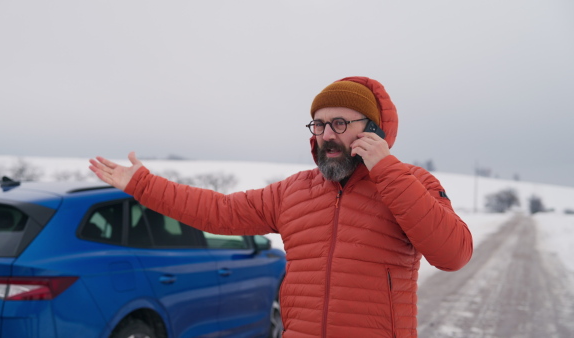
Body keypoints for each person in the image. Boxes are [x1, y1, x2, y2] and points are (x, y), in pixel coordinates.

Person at [89, 76, 473, 337]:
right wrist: (143, 185)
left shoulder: (411, 183)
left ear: (372, 129)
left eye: (339, 123)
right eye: (318, 125)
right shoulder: (294, 192)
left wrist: (387, 172)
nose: (326, 135)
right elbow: (219, 211)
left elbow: (454, 254)